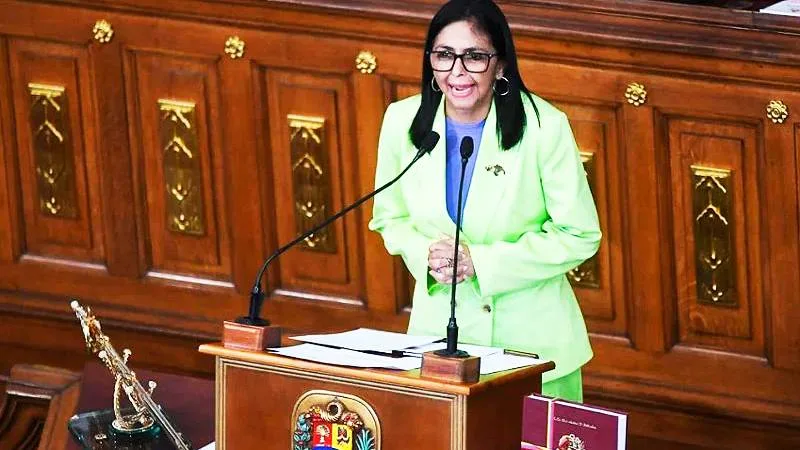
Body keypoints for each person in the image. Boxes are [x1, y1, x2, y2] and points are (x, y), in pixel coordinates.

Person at [368, 0, 601, 402]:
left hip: (535, 354)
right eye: (444, 56)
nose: (457, 72)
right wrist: (427, 254)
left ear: (501, 65)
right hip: (438, 348)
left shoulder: (545, 128)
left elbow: (579, 235)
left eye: (474, 57)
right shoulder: (402, 121)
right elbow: (389, 217)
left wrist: (482, 263)